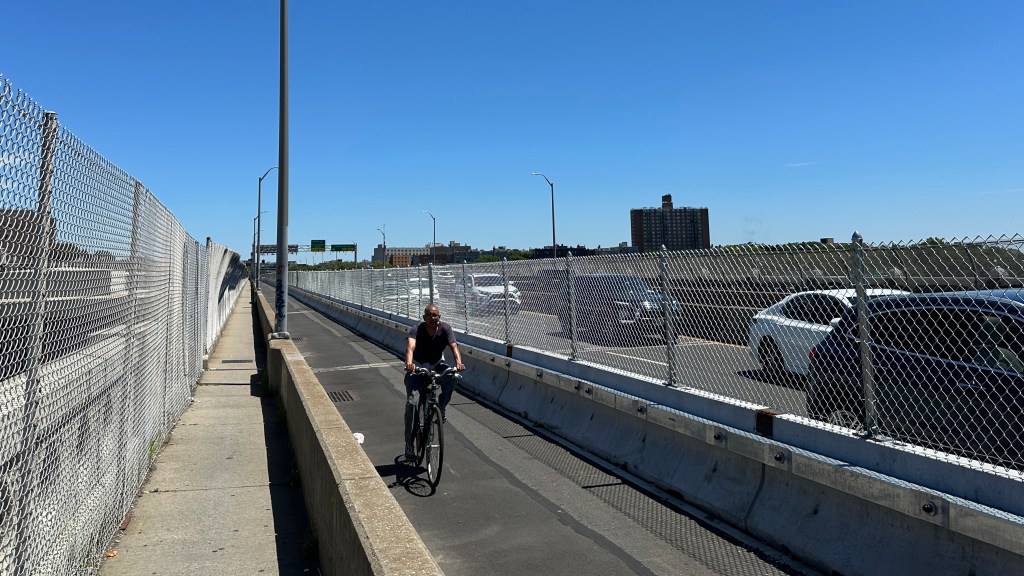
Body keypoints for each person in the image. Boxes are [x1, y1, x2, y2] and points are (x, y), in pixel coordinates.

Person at [404, 304, 464, 460]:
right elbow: (410, 348)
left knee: (452, 376)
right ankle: (409, 443)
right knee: (412, 403)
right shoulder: (416, 330)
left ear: (439, 317)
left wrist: (458, 362)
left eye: (435, 315)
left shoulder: (445, 329)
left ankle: (441, 407)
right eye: (429, 315)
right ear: (424, 317)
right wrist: (409, 364)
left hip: (437, 364)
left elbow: (454, 346)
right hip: (418, 366)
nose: (432, 318)